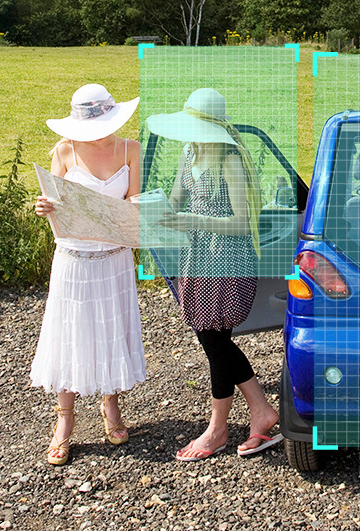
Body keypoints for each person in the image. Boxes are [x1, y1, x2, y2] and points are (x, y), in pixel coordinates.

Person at [152, 88, 283, 461]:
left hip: (227, 258)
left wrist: (192, 220)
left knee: (214, 341)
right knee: (214, 340)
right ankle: (260, 411)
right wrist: (149, 210)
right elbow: (175, 202)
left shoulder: (230, 160)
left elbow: (242, 223)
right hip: (196, 257)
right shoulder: (189, 153)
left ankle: (218, 428)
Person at [32, 83, 145, 466]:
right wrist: (45, 206)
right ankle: (64, 419)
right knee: (70, 331)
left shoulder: (131, 149)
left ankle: (111, 405)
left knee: (111, 327)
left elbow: (133, 204)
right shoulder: (64, 151)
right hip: (74, 257)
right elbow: (55, 202)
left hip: (113, 255)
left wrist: (138, 208)